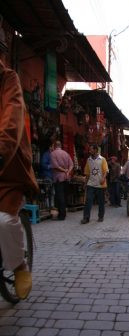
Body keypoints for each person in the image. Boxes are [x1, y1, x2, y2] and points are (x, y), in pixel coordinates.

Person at [0, 31, 38, 299]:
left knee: (2, 221)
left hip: (7, 167)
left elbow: (12, 122)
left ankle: (19, 265)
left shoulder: (8, 79)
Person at [81, 144, 108, 223]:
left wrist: (103, 178)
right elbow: (87, 173)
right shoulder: (88, 160)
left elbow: (106, 170)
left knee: (101, 202)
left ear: (96, 150)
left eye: (91, 149)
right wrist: (85, 183)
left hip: (100, 185)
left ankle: (100, 216)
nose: (90, 151)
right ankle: (86, 218)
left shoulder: (102, 159)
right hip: (91, 184)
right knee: (88, 201)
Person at [50, 140, 73, 220]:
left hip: (58, 178)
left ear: (54, 146)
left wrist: (64, 170)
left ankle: (62, 215)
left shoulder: (53, 154)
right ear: (60, 146)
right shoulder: (66, 153)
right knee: (64, 195)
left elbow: (56, 166)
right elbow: (71, 164)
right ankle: (63, 213)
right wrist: (68, 171)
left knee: (60, 196)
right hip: (66, 177)